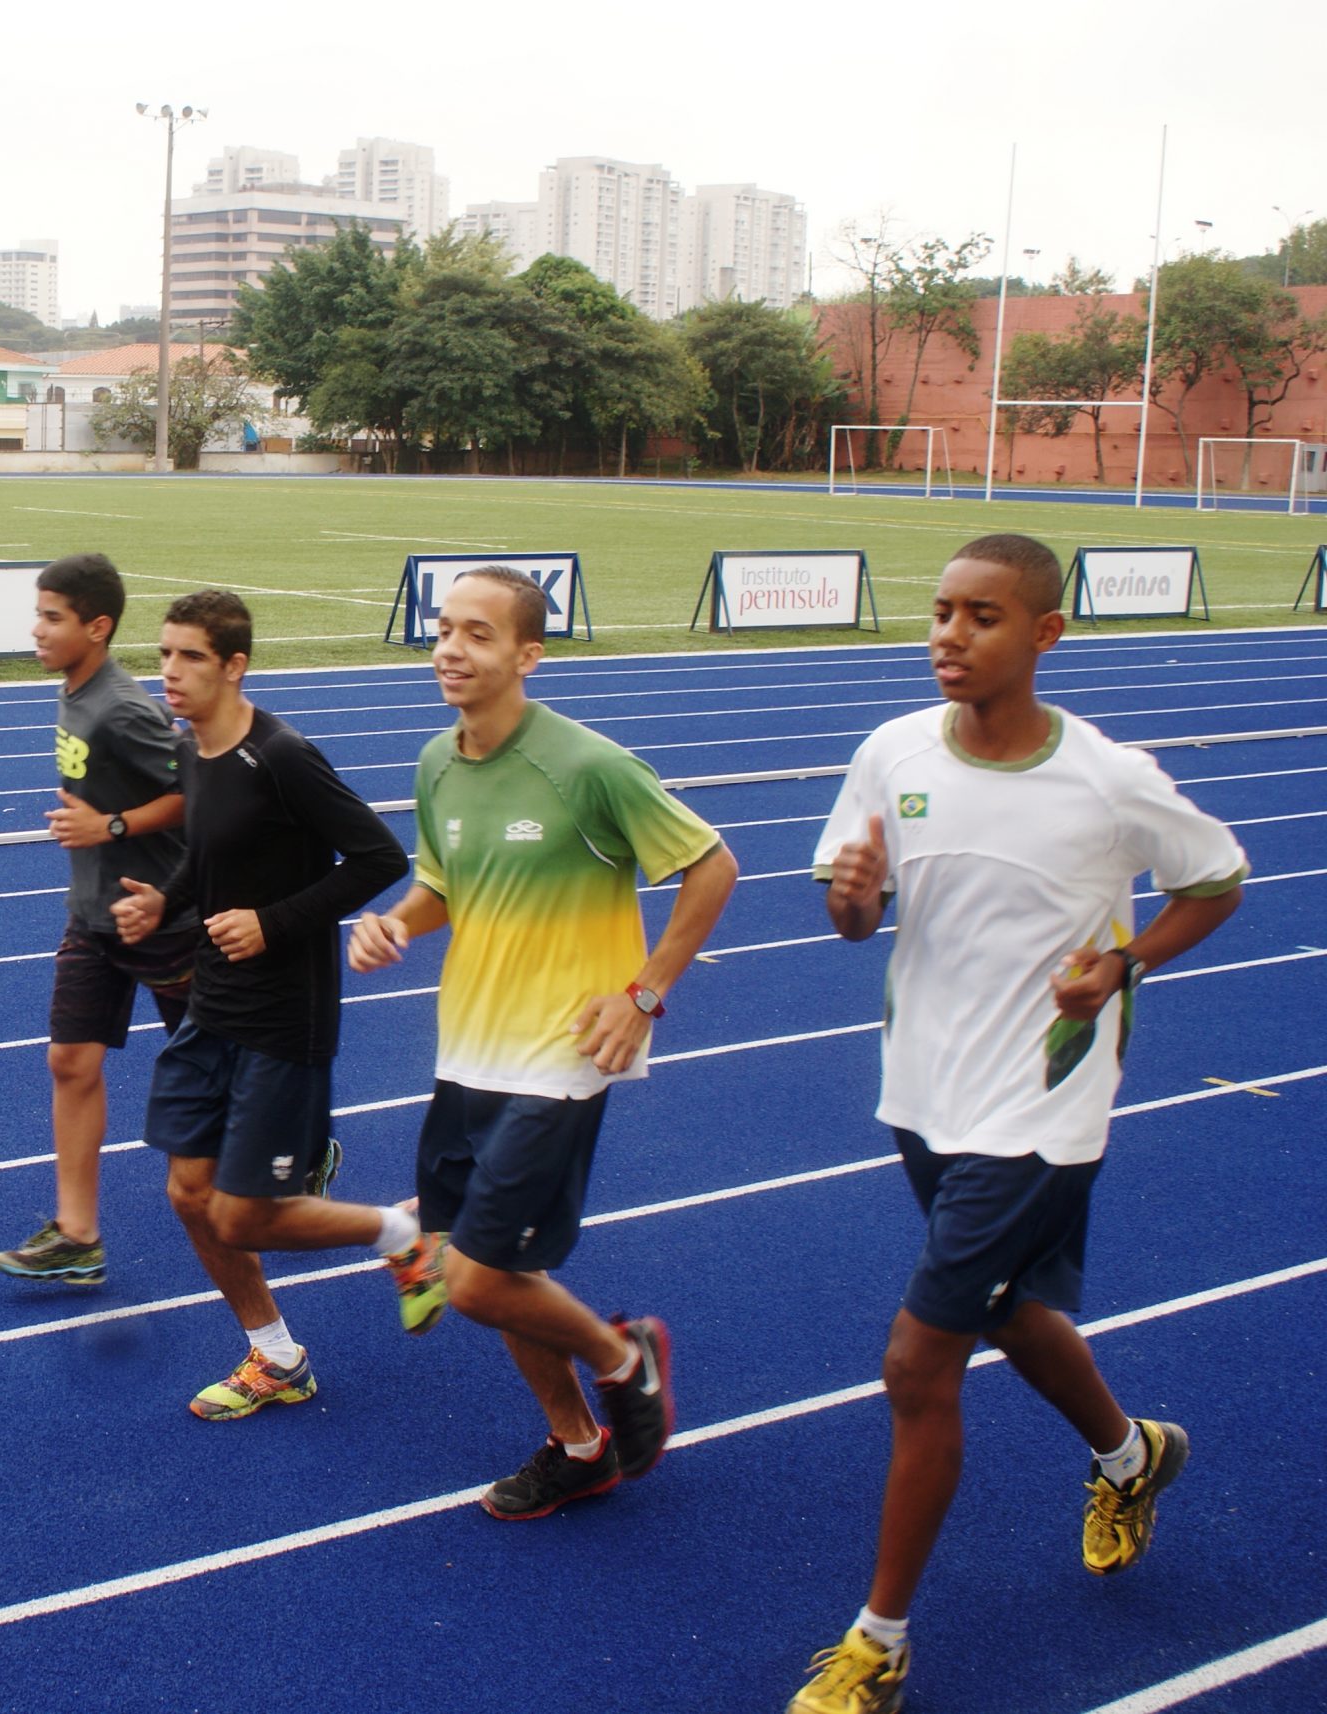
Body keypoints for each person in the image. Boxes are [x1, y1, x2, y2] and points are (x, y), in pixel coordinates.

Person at [787, 533, 1246, 1714]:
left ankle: (878, 1644)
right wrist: (852, 900)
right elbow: (855, 910)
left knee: (916, 1357)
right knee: (1010, 1309)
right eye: (940, 610)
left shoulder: (1106, 776)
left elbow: (1216, 876)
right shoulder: (891, 750)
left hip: (1041, 1114)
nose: (949, 634)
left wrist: (1125, 964)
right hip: (924, 1096)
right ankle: (1133, 1453)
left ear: (1044, 633)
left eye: (981, 616)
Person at [347, 568, 738, 1517]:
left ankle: (624, 1356)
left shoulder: (588, 766)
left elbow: (712, 865)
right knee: (502, 1270)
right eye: (443, 629)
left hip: (560, 1055)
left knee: (475, 1281)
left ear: (528, 655)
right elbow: (447, 879)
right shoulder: (438, 760)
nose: (450, 648)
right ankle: (579, 1447)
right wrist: (398, 921)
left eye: (478, 634)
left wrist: (644, 994)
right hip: (468, 1047)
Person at [108, 589, 412, 1419]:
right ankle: (275, 1356)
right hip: (214, 1002)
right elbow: (208, 862)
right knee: (187, 1194)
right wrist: (161, 904)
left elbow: (379, 855)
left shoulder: (280, 755)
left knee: (243, 1217)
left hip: (286, 1015)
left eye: (190, 657)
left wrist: (274, 924)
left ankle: (403, 1233)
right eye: (164, 653)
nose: (169, 671)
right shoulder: (192, 750)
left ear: (234, 665)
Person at [0, 553, 194, 1288]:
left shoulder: (123, 707)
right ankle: (79, 1236)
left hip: (158, 915)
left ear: (97, 627)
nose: (36, 631)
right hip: (93, 916)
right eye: (38, 614)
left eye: (52, 618)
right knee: (70, 1061)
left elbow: (195, 791)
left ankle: (301, 1144)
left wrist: (109, 827)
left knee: (219, 1068)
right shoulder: (75, 691)